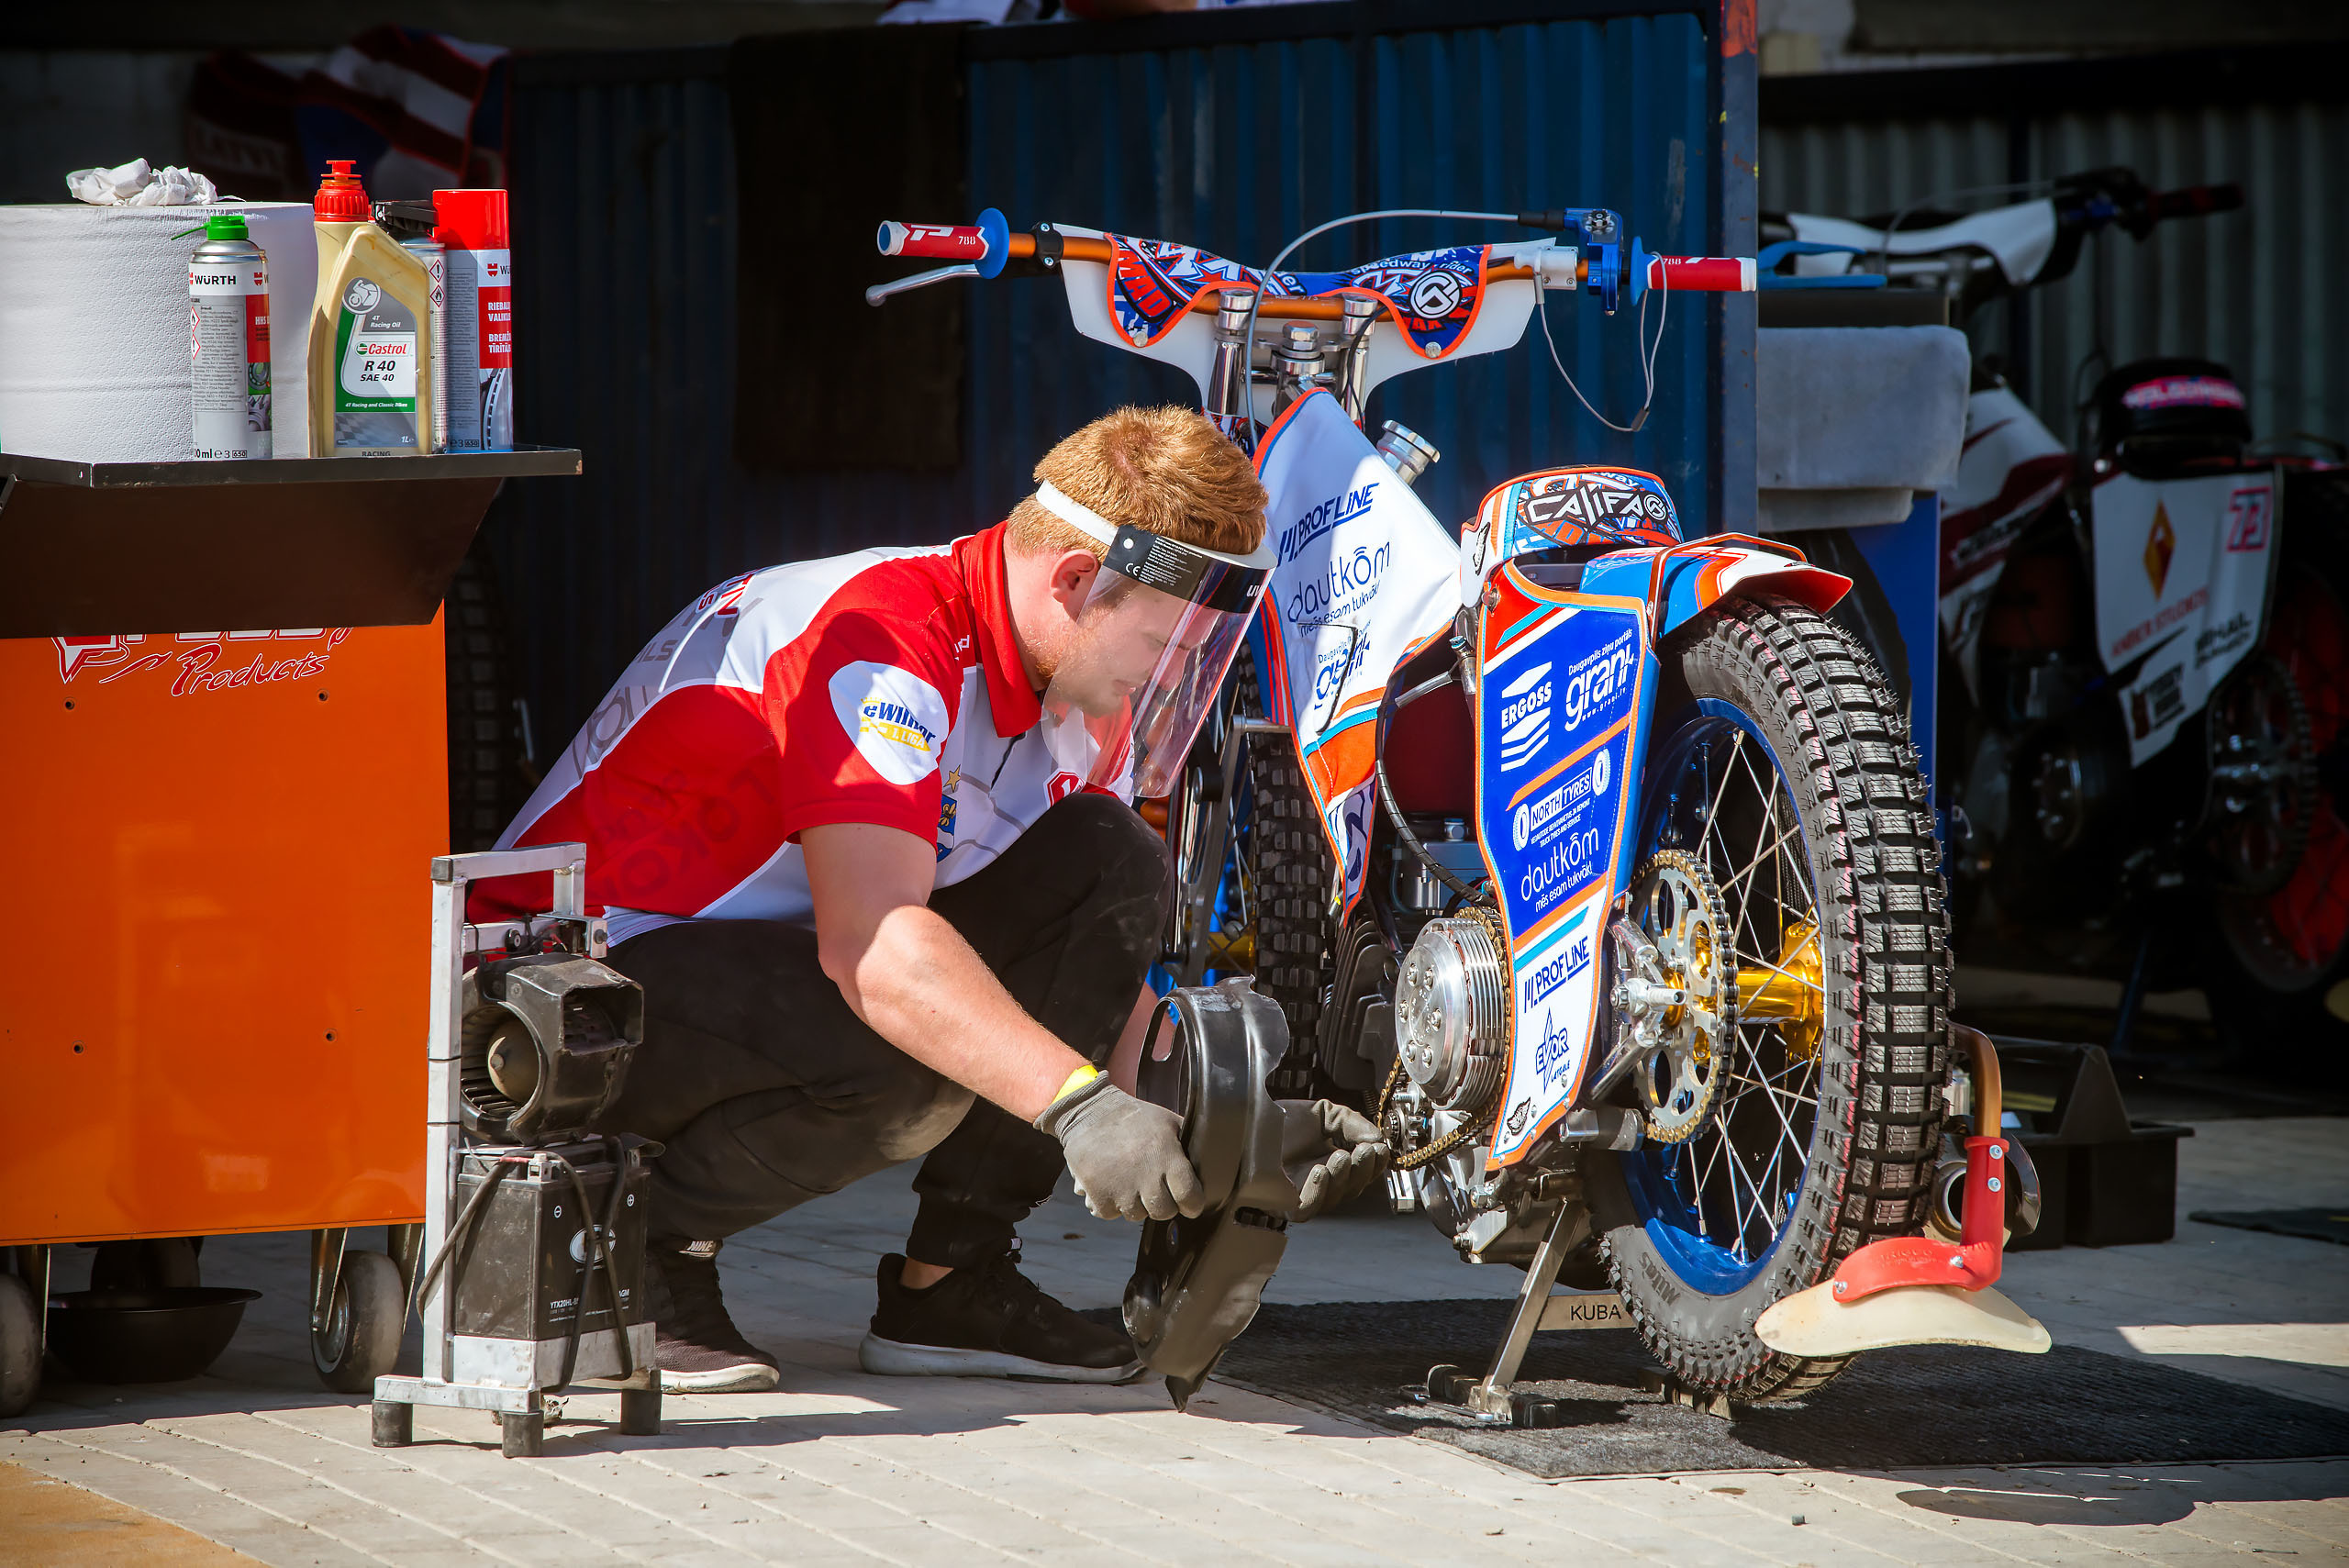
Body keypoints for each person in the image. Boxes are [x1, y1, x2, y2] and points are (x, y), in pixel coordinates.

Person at [470, 406, 1381, 1391]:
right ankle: (625, 1244)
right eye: (1161, 642)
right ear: (1075, 581)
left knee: (1110, 860)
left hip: (751, 966)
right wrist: (1079, 1110)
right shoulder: (883, 638)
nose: (1169, 672)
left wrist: (1238, 1123)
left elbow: (1088, 975)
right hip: (562, 985)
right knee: (909, 1055)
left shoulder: (1079, 685)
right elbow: (874, 948)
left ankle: (949, 1283)